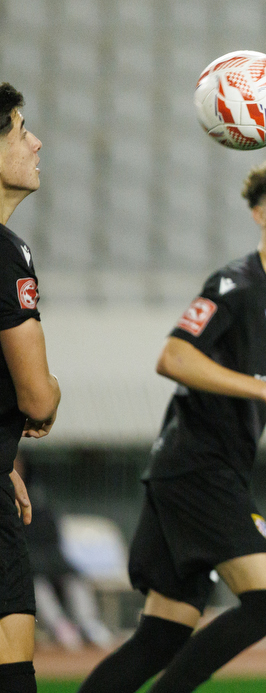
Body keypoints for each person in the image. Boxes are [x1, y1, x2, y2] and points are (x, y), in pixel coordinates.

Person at [77, 154, 266, 693]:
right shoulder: (234, 283)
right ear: (259, 212)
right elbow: (174, 356)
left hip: (200, 471)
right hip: (197, 465)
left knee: (162, 635)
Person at [0, 85, 58, 693]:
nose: (36, 141)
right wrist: (52, 393)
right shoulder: (7, 253)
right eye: (19, 130)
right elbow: (38, 399)